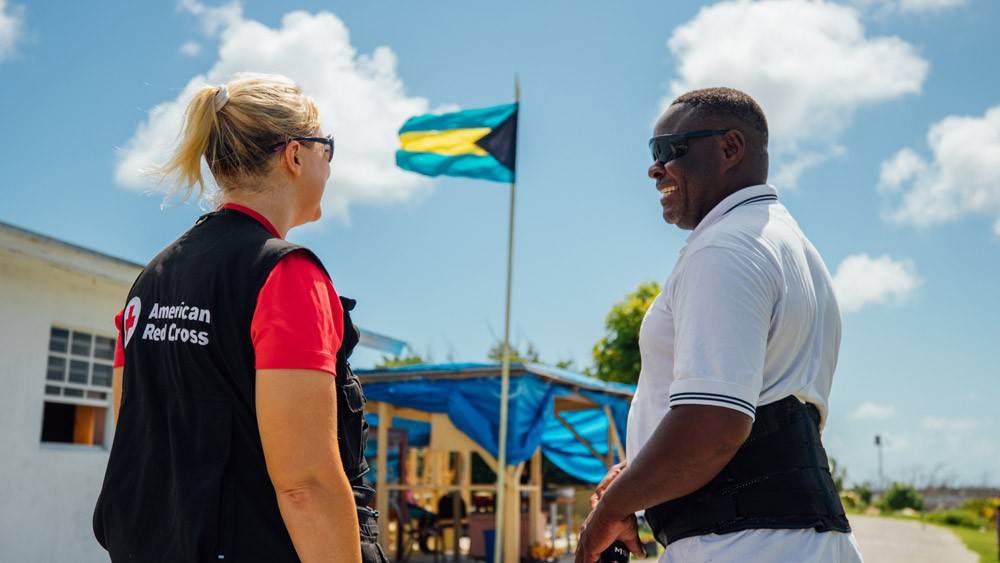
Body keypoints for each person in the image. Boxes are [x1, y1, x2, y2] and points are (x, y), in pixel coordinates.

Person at [93, 73, 385, 563]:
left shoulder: (149, 280)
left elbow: (138, 436)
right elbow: (305, 486)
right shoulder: (286, 274)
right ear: (294, 154)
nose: (330, 166)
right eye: (326, 148)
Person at [576, 87, 863, 563]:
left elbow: (713, 425)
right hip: (802, 542)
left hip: (740, 545)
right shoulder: (793, 249)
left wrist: (609, 510)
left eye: (670, 150)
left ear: (730, 148)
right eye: (653, 154)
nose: (654, 168)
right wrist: (641, 475)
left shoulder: (725, 249)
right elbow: (764, 415)